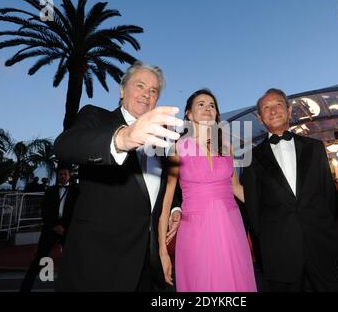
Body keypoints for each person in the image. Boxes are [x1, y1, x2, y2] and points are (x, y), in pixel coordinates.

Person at [53, 61, 184, 291]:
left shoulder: (161, 140)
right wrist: (121, 139)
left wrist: (174, 208)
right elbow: (64, 145)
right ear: (122, 90)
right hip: (99, 262)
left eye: (153, 91)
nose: (146, 94)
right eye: (140, 86)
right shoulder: (96, 117)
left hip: (145, 264)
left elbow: (156, 187)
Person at [242, 88, 338, 292]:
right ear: (260, 118)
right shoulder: (251, 158)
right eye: (266, 107)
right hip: (279, 251)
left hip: (324, 243)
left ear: (289, 110)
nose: (272, 110)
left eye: (277, 104)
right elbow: (254, 211)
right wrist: (269, 244)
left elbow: (328, 196)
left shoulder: (316, 147)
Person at [158, 89, 257, 292]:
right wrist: (162, 251)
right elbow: (166, 201)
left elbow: (236, 188)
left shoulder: (227, 147)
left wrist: (270, 204)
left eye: (212, 105)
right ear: (189, 114)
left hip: (231, 226)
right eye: (201, 104)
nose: (207, 108)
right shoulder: (178, 148)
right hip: (196, 229)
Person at [20, 166, 79, 292]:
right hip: (51, 228)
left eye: (65, 174)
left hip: (67, 229)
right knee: (39, 258)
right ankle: (25, 289)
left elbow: (77, 212)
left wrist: (65, 227)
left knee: (74, 260)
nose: (62, 176)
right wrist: (54, 225)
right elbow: (44, 210)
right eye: (60, 174)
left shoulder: (76, 191)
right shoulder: (50, 191)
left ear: (69, 176)